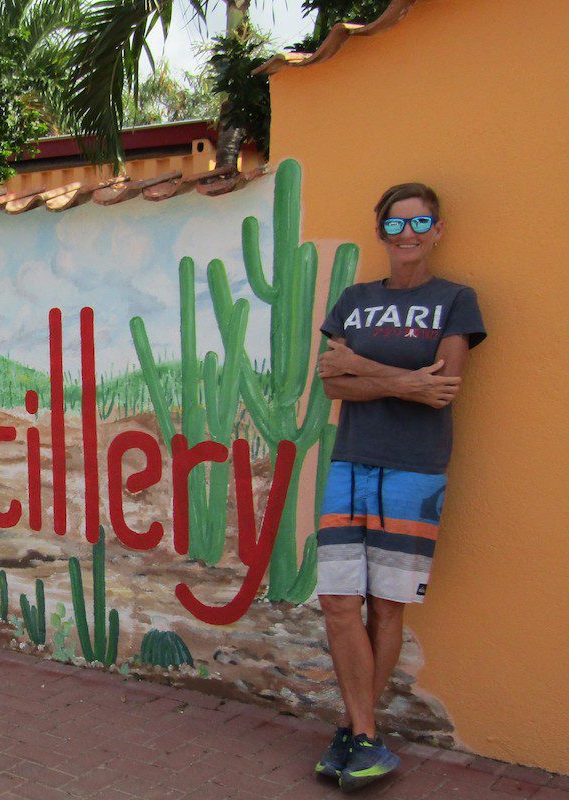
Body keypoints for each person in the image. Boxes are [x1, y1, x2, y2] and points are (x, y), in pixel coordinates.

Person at [311, 182, 486, 792]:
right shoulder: (355, 300)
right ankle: (364, 736)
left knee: (386, 605)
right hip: (350, 462)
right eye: (394, 225)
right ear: (379, 232)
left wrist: (368, 370)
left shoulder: (456, 301)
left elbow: (445, 386)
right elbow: (332, 382)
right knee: (337, 601)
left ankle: (356, 733)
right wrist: (406, 381)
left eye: (420, 223)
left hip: (415, 470)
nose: (407, 234)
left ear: (437, 231)